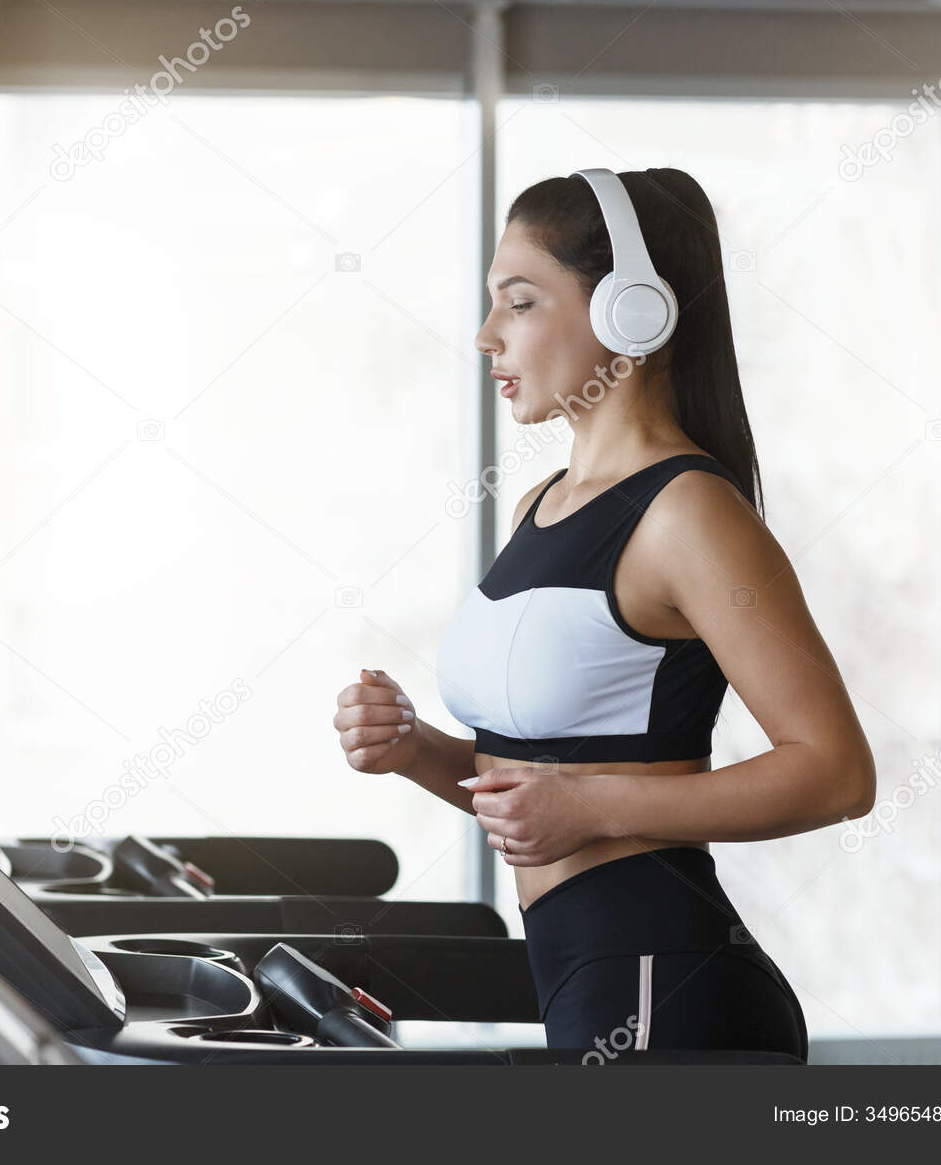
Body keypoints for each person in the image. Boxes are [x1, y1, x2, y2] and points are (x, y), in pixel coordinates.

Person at [333, 167, 874, 1060]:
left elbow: (838, 774)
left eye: (520, 303)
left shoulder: (690, 513)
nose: (485, 337)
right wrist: (415, 750)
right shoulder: (541, 505)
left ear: (630, 311)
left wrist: (591, 807)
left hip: (666, 983)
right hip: (588, 977)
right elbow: (544, 792)